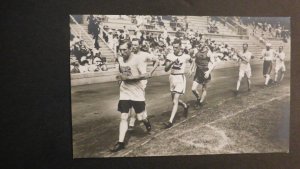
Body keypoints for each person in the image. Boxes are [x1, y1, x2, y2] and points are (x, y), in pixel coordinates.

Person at [110, 40, 153, 152]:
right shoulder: (120, 58)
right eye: (120, 50)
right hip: (124, 91)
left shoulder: (137, 60)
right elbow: (121, 70)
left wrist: (128, 78)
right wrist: (120, 78)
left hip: (137, 92)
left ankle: (146, 122)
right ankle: (121, 143)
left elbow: (145, 75)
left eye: (124, 49)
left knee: (140, 117)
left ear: (130, 49)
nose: (122, 52)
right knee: (124, 116)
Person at [123, 39, 159, 131]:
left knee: (136, 101)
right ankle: (140, 119)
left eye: (136, 45)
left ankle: (139, 121)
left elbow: (157, 61)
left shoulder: (144, 54)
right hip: (132, 81)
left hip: (141, 81)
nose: (134, 47)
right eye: (133, 45)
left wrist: (150, 72)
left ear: (139, 45)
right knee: (132, 101)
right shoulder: (130, 55)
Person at [163, 39, 190, 128]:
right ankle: (185, 106)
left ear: (180, 47)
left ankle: (170, 121)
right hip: (172, 78)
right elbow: (166, 69)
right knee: (174, 100)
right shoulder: (170, 55)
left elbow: (192, 61)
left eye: (177, 47)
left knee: (175, 100)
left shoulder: (185, 56)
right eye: (174, 47)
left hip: (180, 78)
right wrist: (171, 63)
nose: (175, 49)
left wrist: (191, 69)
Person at [188, 39, 216, 107]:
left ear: (205, 44)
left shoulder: (208, 52)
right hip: (198, 72)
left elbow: (214, 63)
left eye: (202, 42)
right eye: (199, 42)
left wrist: (208, 72)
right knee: (193, 89)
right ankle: (198, 98)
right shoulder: (197, 51)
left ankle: (200, 102)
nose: (200, 43)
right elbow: (194, 61)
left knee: (204, 88)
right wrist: (191, 69)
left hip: (205, 72)